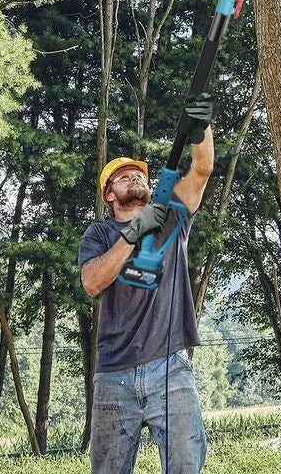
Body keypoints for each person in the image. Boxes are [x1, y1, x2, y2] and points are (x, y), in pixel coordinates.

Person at [78, 94, 214, 474]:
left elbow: (201, 172)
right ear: (110, 194)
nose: (135, 177)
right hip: (113, 374)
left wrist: (201, 128)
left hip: (170, 366)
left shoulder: (172, 217)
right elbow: (92, 281)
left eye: (139, 174)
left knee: (186, 466)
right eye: (124, 176)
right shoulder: (99, 233)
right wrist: (133, 234)